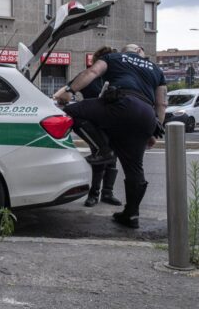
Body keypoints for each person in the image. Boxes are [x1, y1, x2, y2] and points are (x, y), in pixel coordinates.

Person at [54, 44, 167, 229]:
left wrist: (69, 91)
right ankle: (131, 215)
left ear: (124, 52)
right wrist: (155, 130)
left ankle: (103, 149)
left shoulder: (114, 58)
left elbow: (92, 73)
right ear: (140, 53)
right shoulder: (156, 69)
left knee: (69, 112)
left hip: (120, 104)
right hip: (146, 116)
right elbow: (161, 104)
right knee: (134, 169)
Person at [54, 46, 122, 207]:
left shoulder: (117, 77)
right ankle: (94, 194)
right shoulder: (88, 76)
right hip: (94, 124)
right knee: (101, 157)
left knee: (112, 158)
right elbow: (63, 94)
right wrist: (67, 100)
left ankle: (107, 193)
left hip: (112, 123)